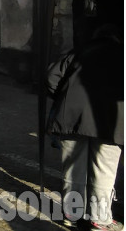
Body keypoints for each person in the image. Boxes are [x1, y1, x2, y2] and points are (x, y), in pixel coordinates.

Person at [47, 24, 123, 230]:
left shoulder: (78, 52)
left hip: (72, 116)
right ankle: (100, 218)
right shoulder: (122, 55)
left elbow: (51, 78)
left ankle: (72, 215)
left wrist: (63, 98)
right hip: (111, 120)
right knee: (104, 171)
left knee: (73, 170)